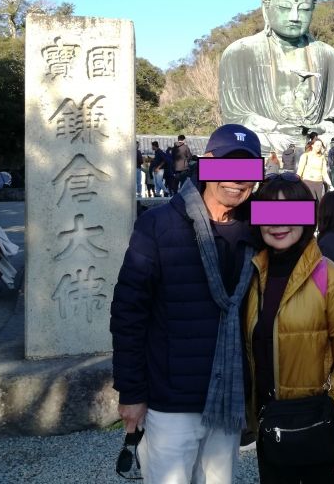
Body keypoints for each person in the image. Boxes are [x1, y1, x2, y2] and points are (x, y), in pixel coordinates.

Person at [111, 124, 262, 484]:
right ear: (207, 163)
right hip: (171, 400)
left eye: (248, 170)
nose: (237, 180)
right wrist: (131, 392)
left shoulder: (259, 230)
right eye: (227, 166)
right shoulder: (158, 225)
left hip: (227, 399)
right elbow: (128, 313)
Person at [244, 176, 334, 482]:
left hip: (320, 427)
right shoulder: (253, 277)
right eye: (268, 213)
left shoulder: (332, 280)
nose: (278, 223)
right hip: (271, 426)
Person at [219, 0, 334, 150]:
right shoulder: (240, 52)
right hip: (270, 138)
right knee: (237, 139)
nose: (294, 17)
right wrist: (277, 127)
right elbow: (236, 117)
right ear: (265, 9)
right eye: (285, 8)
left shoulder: (331, 56)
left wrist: (320, 128)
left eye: (303, 9)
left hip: (316, 140)